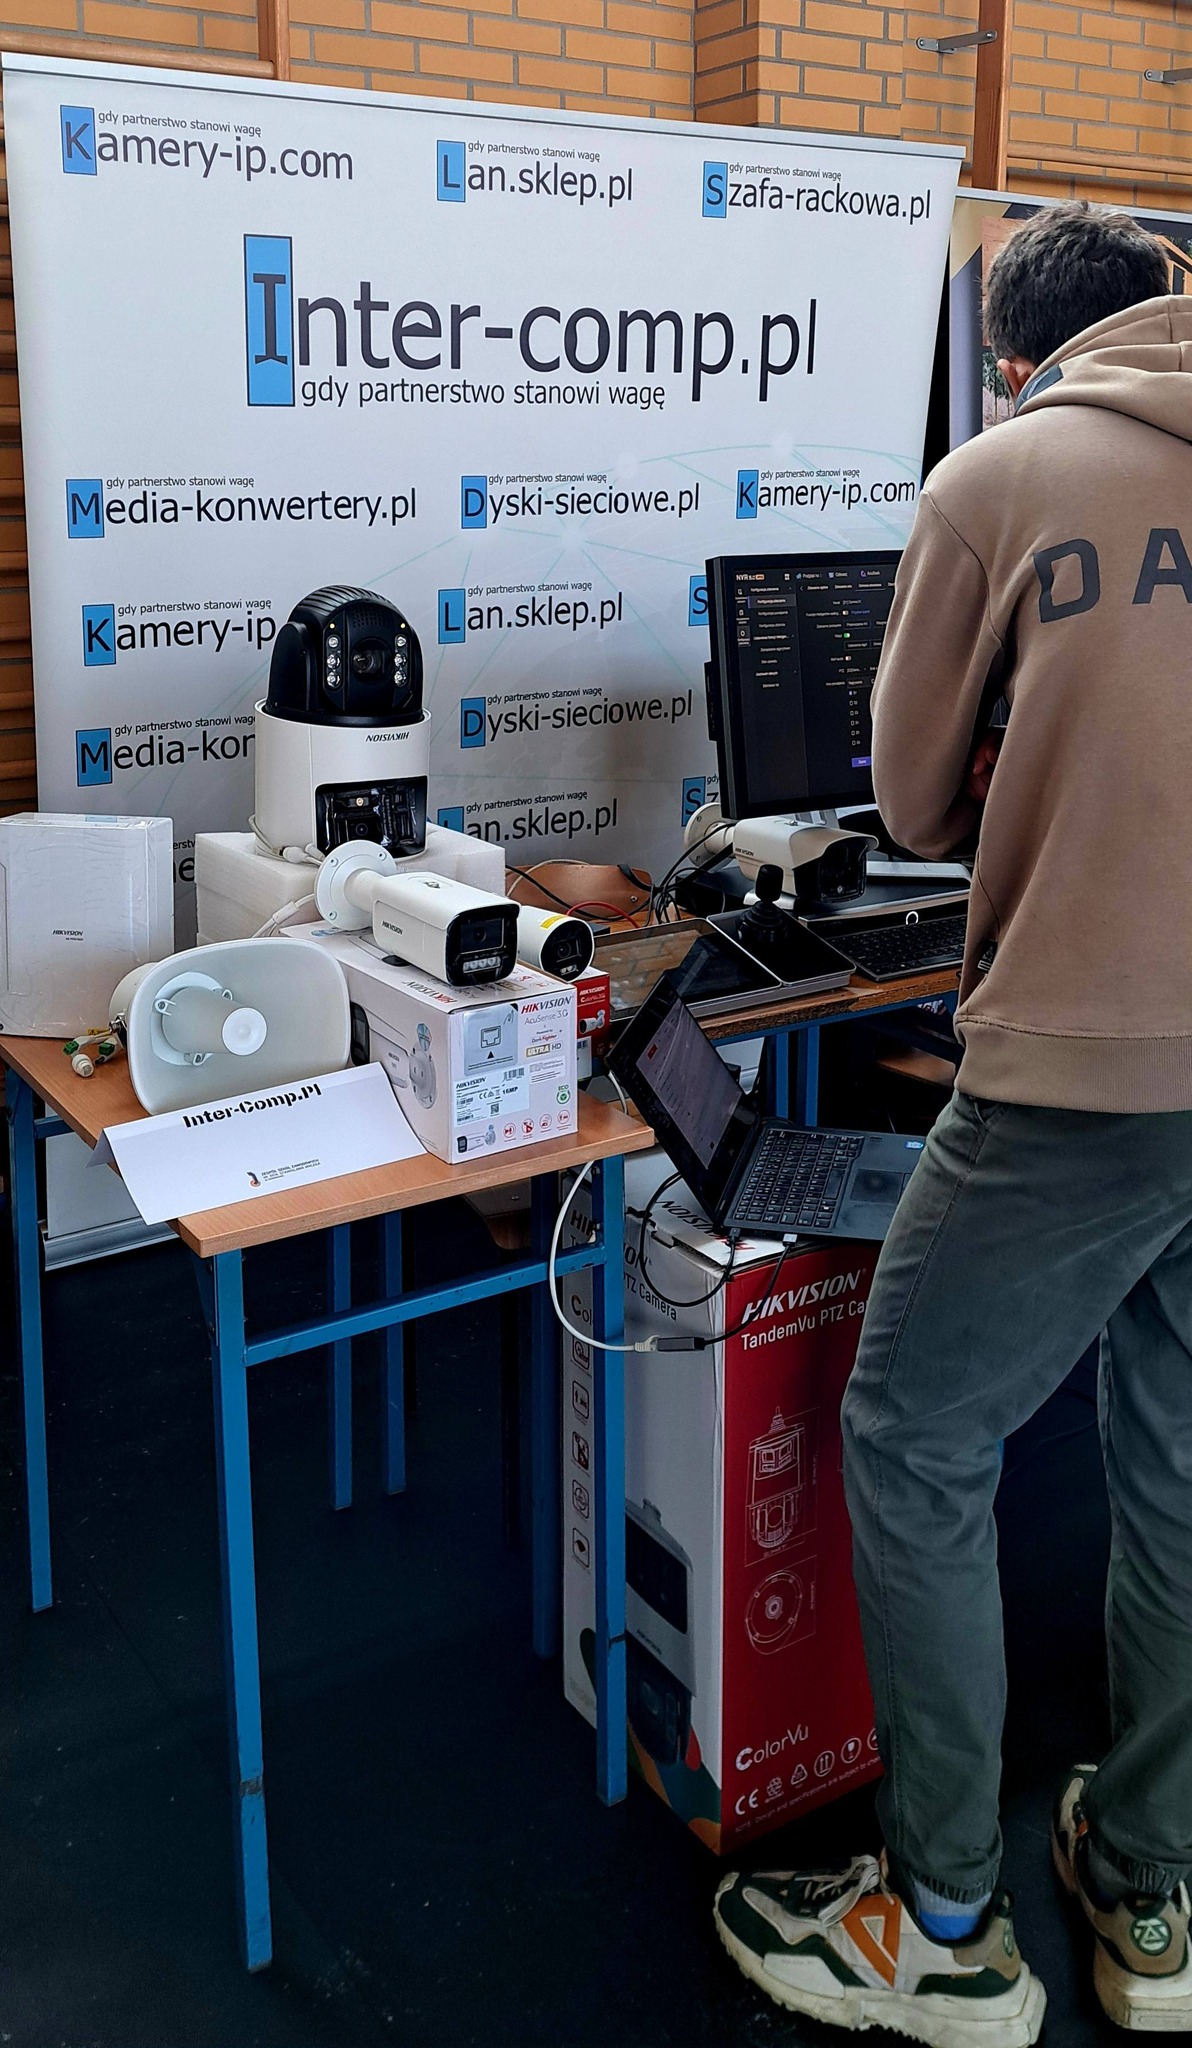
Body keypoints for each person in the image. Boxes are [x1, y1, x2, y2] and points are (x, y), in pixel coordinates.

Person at [715, 201, 1192, 2043]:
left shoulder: (999, 477)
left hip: (1086, 1066)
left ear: (1012, 360)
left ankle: (946, 1930)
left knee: (914, 1436)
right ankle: (1147, 1893)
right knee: (1177, 1465)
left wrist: (1016, 749)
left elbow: (909, 798)